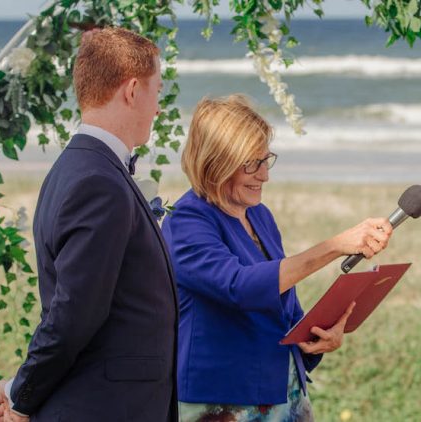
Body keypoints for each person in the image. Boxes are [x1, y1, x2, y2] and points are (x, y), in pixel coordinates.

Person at [0, 27, 178, 421]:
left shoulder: (78, 167)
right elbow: (73, 314)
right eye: (157, 91)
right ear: (133, 90)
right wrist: (23, 397)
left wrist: (20, 385)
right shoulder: (98, 182)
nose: (158, 108)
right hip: (107, 409)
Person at [162, 95, 393, 421]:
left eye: (265, 160)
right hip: (222, 403)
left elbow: (281, 308)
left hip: (282, 392)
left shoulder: (259, 216)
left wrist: (319, 337)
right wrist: (333, 246)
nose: (264, 176)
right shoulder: (187, 220)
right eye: (251, 164)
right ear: (216, 163)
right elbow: (240, 288)